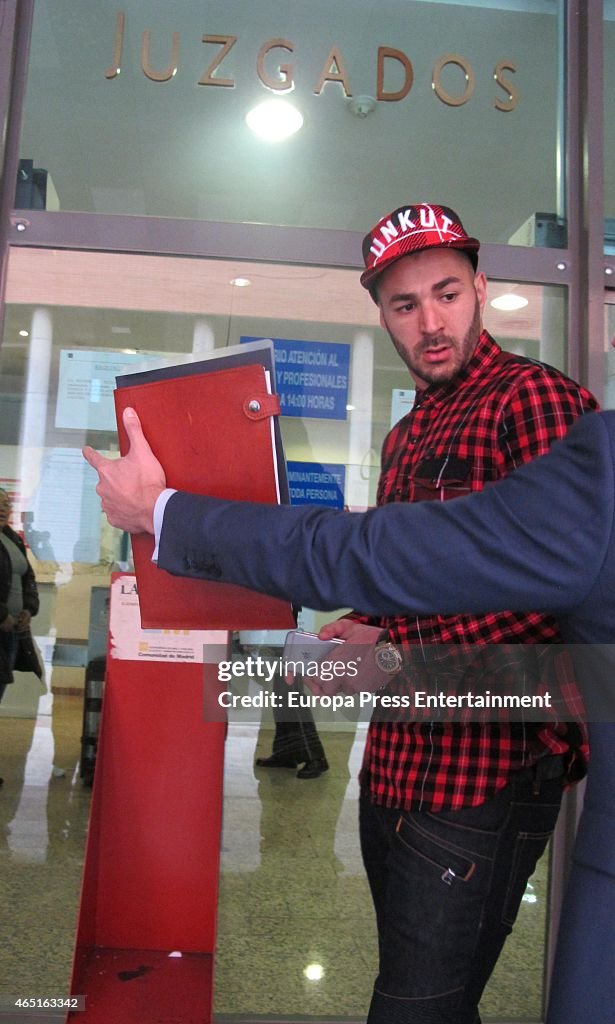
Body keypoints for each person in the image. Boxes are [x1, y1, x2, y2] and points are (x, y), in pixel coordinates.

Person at [83, 199, 600, 1024]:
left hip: (479, 778)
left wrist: (393, 657)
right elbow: (418, 572)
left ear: (482, 290)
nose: (430, 321)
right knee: (419, 995)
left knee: (412, 1010)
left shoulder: (535, 401)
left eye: (447, 293)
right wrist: (372, 625)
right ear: (381, 315)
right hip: (395, 761)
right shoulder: (409, 431)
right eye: (404, 304)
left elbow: (549, 600)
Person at [0, 489, 42, 786]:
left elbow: (27, 577)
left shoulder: (12, 537)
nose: (5, 508)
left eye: (7, 503)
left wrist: (28, 608)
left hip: (12, 631)